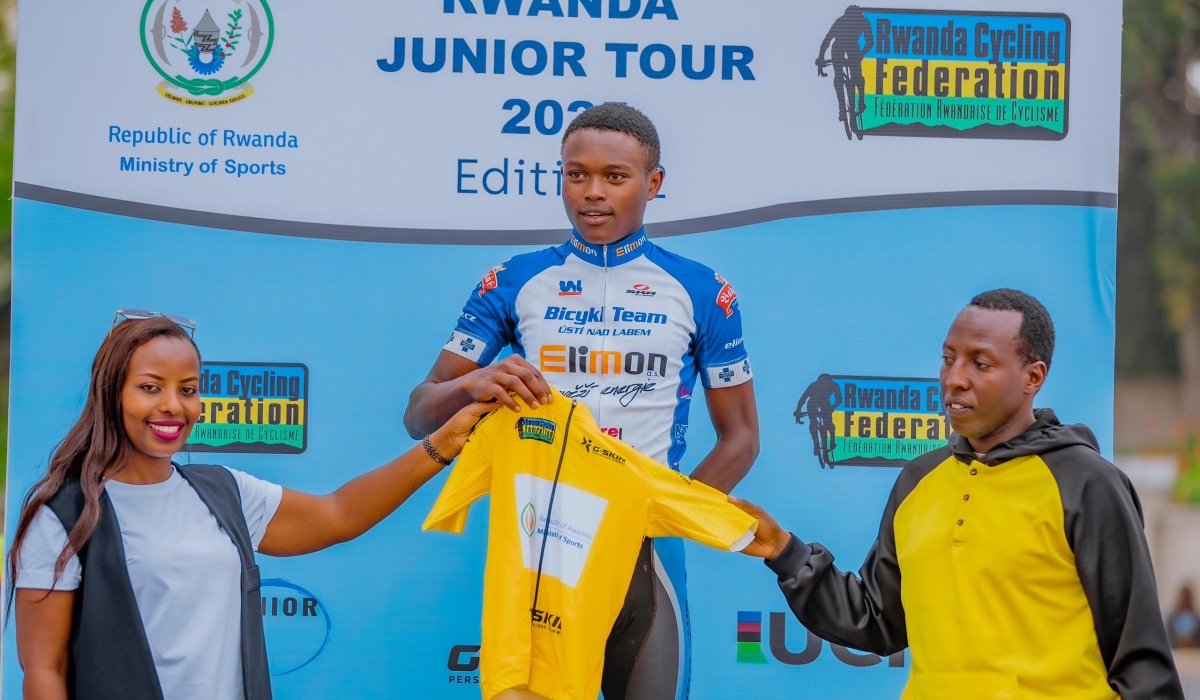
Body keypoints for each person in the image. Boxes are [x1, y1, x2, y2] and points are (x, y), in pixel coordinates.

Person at [405, 103, 760, 700]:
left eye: (615, 177)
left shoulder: (702, 290)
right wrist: (474, 383)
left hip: (645, 549)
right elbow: (419, 412)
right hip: (542, 541)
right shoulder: (514, 281)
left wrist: (656, 515)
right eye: (576, 174)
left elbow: (742, 439)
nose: (592, 193)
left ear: (654, 184)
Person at [11, 314, 491, 700]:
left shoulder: (224, 492)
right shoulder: (64, 515)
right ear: (111, 392)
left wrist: (443, 443)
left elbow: (340, 514)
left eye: (189, 388)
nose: (174, 406)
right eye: (150, 387)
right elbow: (44, 672)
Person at [734, 289, 1185, 699]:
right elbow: (877, 619)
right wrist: (786, 553)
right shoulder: (919, 479)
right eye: (949, 358)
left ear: (1033, 377)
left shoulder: (1087, 483)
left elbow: (1141, 659)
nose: (954, 379)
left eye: (980, 363)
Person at [816, 5, 874, 140]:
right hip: (840, 47)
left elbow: (870, 42)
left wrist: (861, 53)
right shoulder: (843, 21)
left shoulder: (862, 21)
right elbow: (828, 39)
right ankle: (843, 107)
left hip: (851, 47)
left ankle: (859, 103)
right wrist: (820, 57)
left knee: (856, 76)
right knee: (842, 75)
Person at [1168, 585, 1200, 649]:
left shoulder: (1196, 617)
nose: (1185, 600)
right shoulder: (1172, 617)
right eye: (1183, 598)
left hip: (1193, 651)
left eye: (1187, 598)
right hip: (1176, 650)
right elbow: (1169, 636)